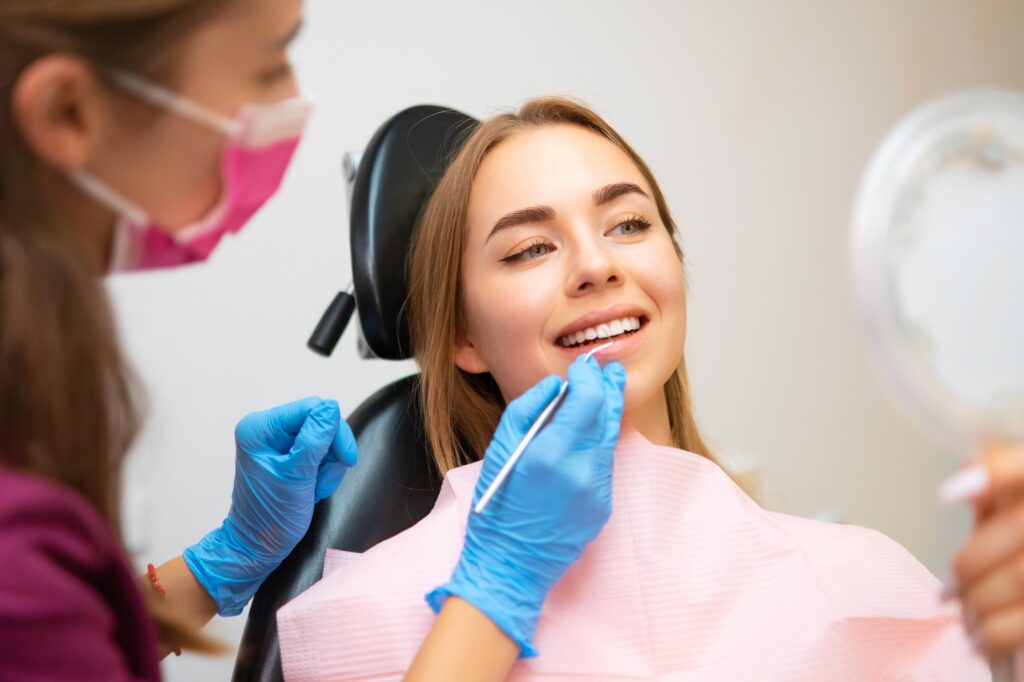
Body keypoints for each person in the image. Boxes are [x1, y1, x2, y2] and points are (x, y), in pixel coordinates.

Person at [0, 1, 622, 679]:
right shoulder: (368, 596)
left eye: (629, 224)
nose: (599, 266)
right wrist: (500, 585)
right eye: (268, 66)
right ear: (68, 112)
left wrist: (223, 559)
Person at [271, 96, 993, 680]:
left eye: (628, 224)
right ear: (461, 337)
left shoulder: (868, 577)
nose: (595, 264)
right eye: (529, 248)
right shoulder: (369, 616)